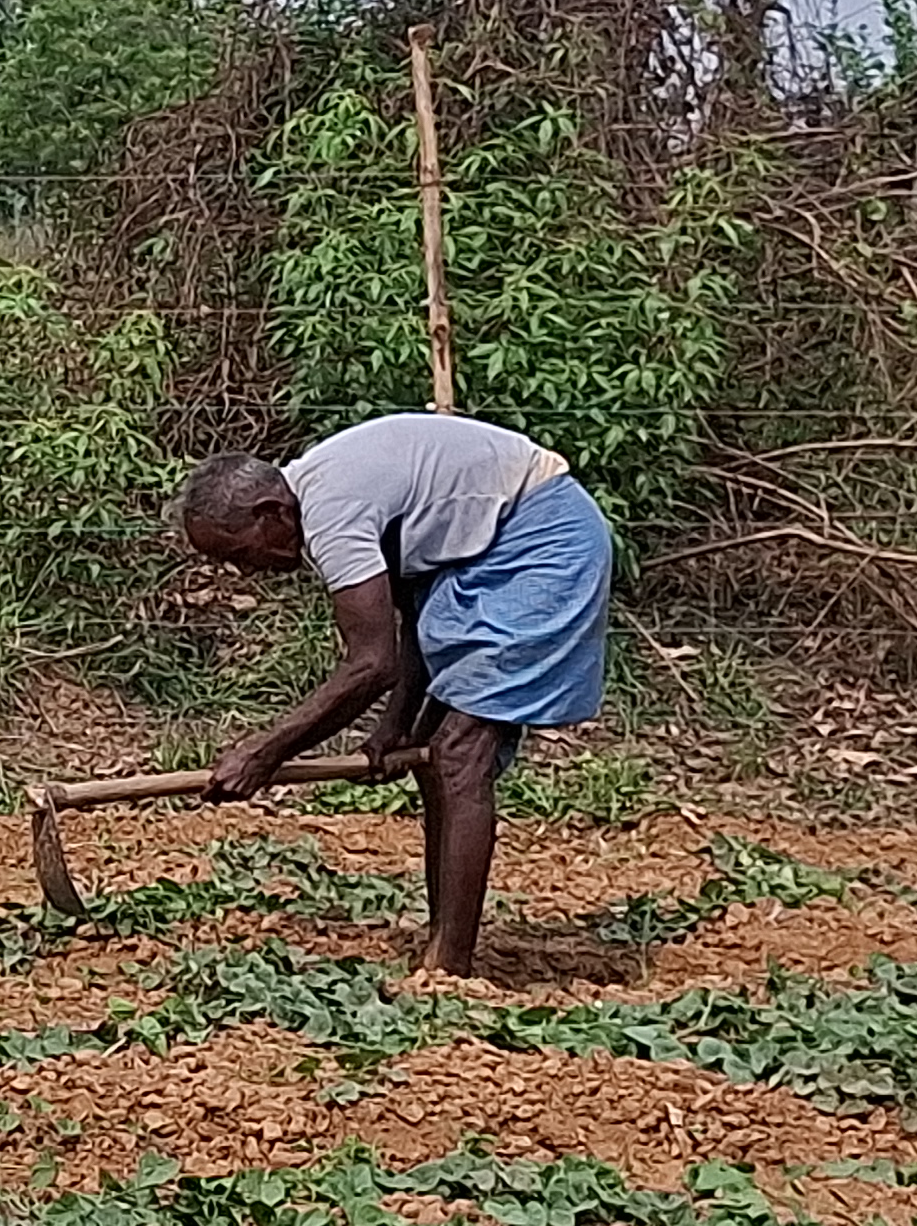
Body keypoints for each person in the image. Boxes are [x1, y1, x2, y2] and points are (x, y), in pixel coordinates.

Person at [176, 412, 614, 977]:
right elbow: (405, 619)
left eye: (239, 553)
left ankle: (449, 967)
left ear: (270, 514)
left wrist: (266, 752)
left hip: (541, 541)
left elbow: (371, 664)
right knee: (432, 753)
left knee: (459, 757)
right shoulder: (322, 490)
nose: (244, 571)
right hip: (492, 549)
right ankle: (444, 944)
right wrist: (394, 727)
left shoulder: (331, 511)